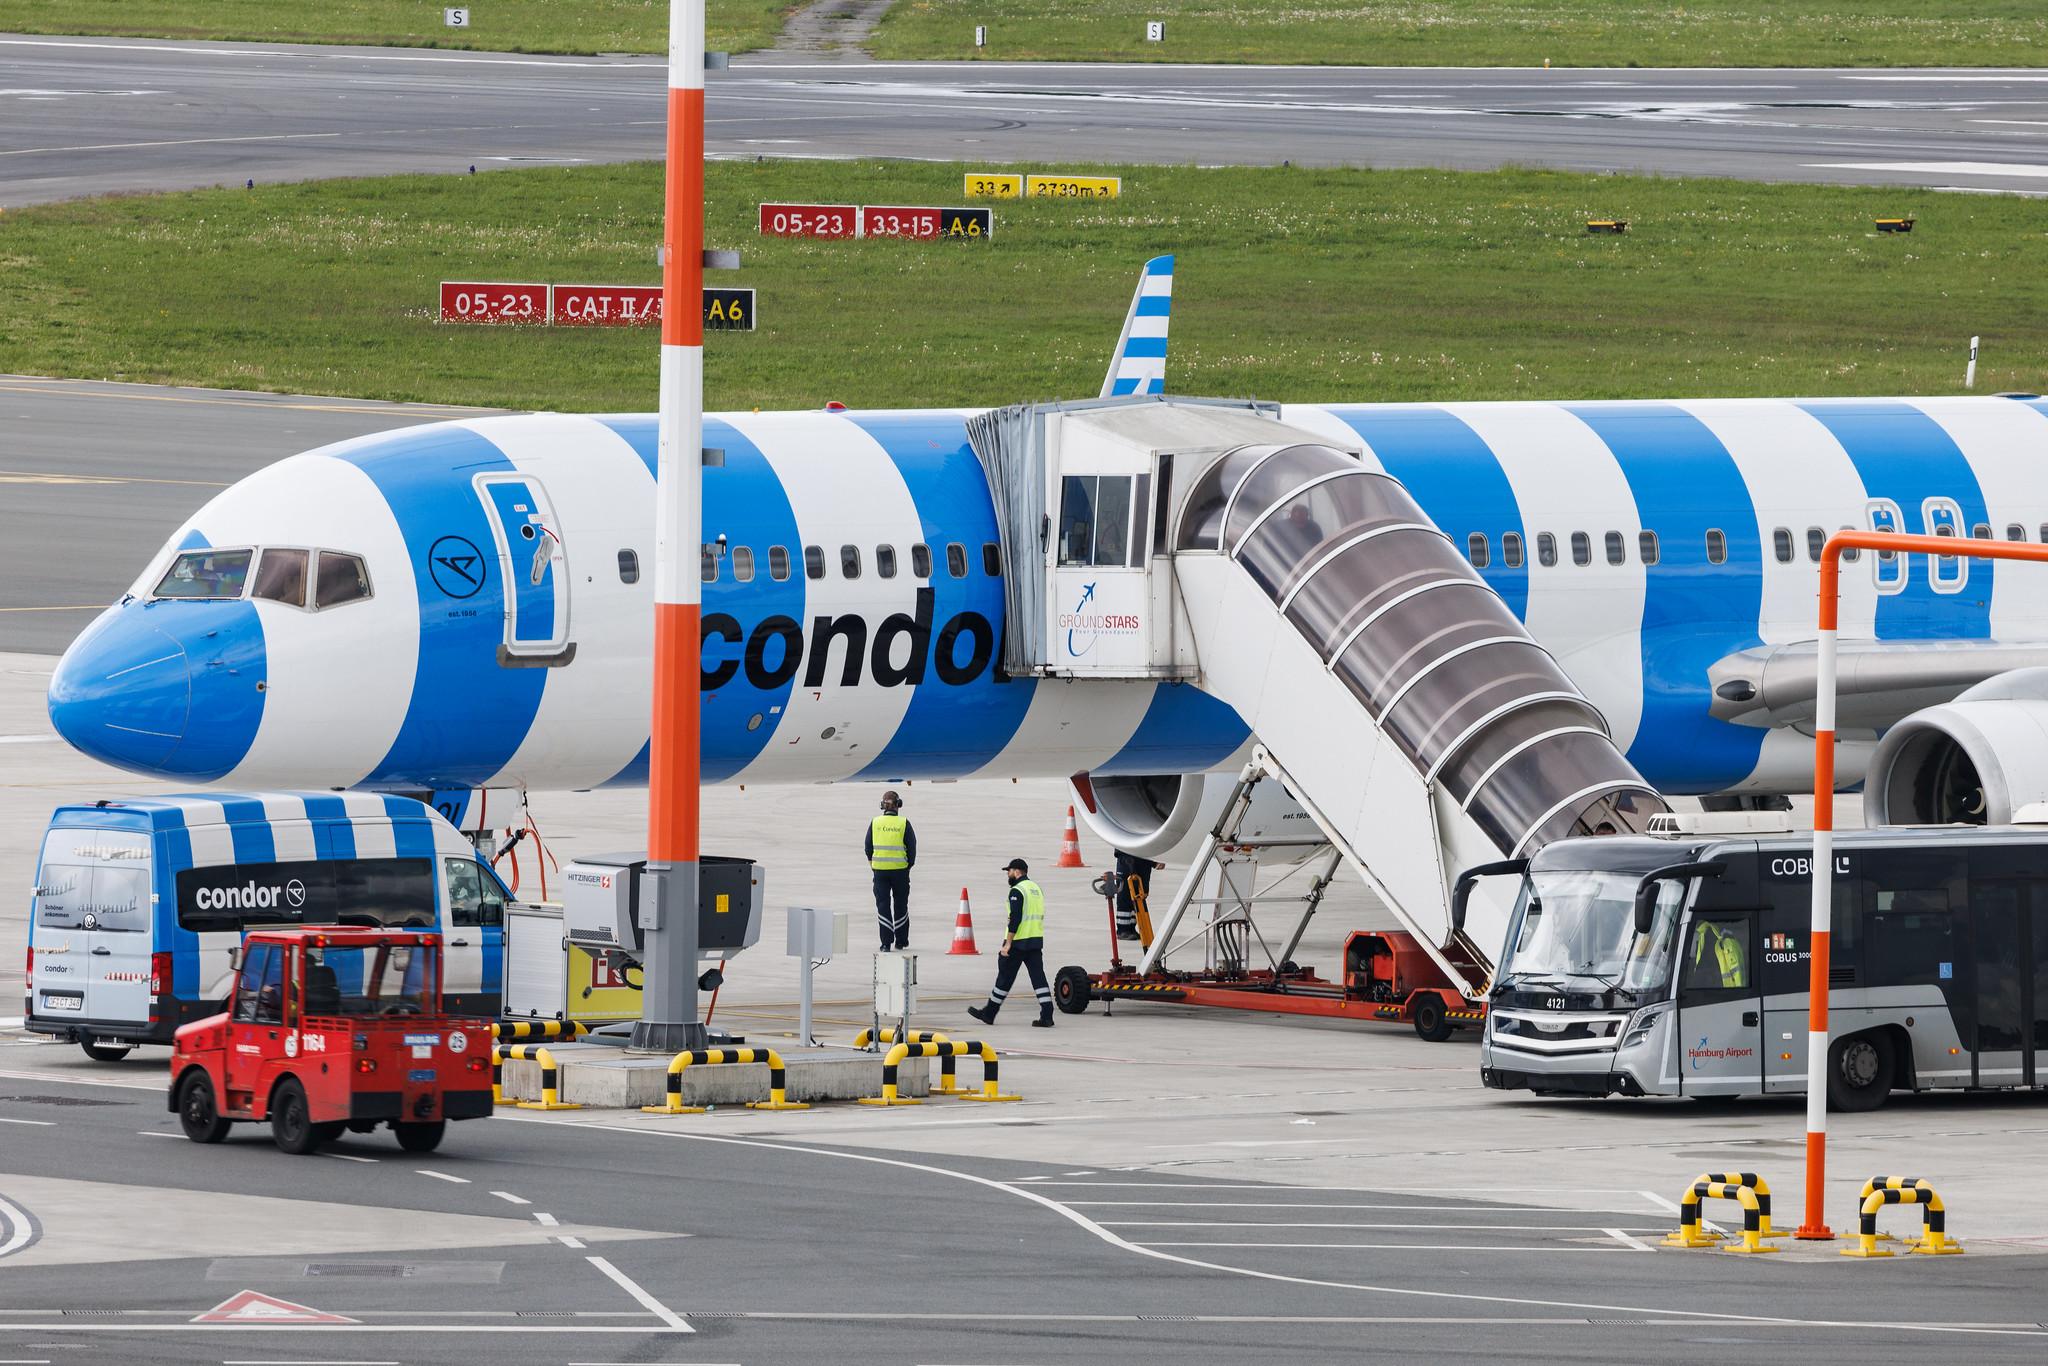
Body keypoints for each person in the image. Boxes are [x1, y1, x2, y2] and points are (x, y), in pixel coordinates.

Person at [968, 858, 1054, 1028]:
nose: (1007, 875)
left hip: (1018, 942)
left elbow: (1015, 918)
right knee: (1038, 978)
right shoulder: (1036, 888)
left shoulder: (1017, 890)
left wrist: (1008, 943)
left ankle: (989, 1013)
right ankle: (1047, 1015)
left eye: (1009, 871)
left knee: (1005, 977)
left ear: (1017, 871)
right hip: (1035, 940)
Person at [865, 790, 916, 950]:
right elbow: (912, 849)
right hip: (900, 871)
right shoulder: (904, 823)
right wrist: (907, 866)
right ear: (898, 805)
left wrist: (874, 865)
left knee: (883, 905)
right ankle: (901, 940)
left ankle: (886, 943)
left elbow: (868, 848)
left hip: (880, 871)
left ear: (882, 805)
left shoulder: (875, 823)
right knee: (901, 905)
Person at [1113, 850, 1162, 941]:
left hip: (1143, 863)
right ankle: (1123, 930)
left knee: (1138, 897)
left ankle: (1131, 928)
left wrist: (1155, 861)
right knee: (1125, 896)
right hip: (1127, 861)